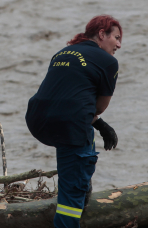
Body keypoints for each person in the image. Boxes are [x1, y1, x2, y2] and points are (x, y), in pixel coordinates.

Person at [25, 15, 122, 228]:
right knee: (73, 191)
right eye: (116, 37)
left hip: (37, 118)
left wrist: (99, 124)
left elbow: (67, 97)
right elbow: (98, 107)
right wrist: (100, 121)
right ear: (101, 34)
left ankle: (81, 186)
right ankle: (77, 196)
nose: (119, 44)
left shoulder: (61, 53)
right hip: (68, 123)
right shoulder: (109, 62)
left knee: (73, 147)